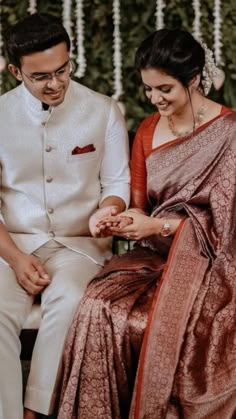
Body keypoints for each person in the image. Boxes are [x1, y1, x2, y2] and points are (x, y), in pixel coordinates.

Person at [58, 28, 236, 419]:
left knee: (176, 326)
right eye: (148, 89)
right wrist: (117, 219)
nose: (155, 99)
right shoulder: (147, 131)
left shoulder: (230, 133)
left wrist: (162, 228)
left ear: (193, 80)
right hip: (153, 257)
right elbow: (141, 207)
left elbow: (230, 226)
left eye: (165, 90)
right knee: (96, 304)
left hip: (215, 263)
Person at [0, 12, 130, 419]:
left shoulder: (104, 110)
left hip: (79, 246)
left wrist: (108, 212)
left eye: (63, 70)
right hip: (13, 245)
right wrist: (17, 259)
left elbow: (117, 185)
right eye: (41, 77)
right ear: (14, 70)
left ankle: (34, 412)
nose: (55, 84)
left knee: (71, 298)